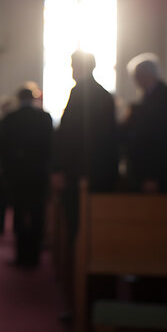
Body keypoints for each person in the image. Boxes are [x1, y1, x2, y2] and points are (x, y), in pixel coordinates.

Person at [52, 51, 118, 236]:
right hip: (100, 172)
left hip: (79, 172)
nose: (72, 69)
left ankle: (76, 262)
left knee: (77, 225)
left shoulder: (80, 92)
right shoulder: (105, 95)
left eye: (73, 65)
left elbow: (69, 135)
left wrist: (59, 169)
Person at [0, 86, 52, 266]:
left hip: (17, 174)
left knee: (19, 212)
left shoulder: (10, 118)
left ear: (18, 98)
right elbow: (50, 147)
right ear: (34, 98)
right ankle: (35, 256)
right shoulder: (44, 118)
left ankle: (21, 256)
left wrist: (7, 170)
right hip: (38, 173)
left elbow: (3, 149)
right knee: (37, 212)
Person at [124, 53, 167, 193]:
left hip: (161, 175)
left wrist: (152, 176)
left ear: (143, 76)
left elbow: (164, 139)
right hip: (162, 172)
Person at [0, 95, 18, 235]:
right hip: (1, 166)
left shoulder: (16, 124)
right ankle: (0, 226)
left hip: (13, 167)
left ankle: (15, 228)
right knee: (1, 198)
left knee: (15, 200)